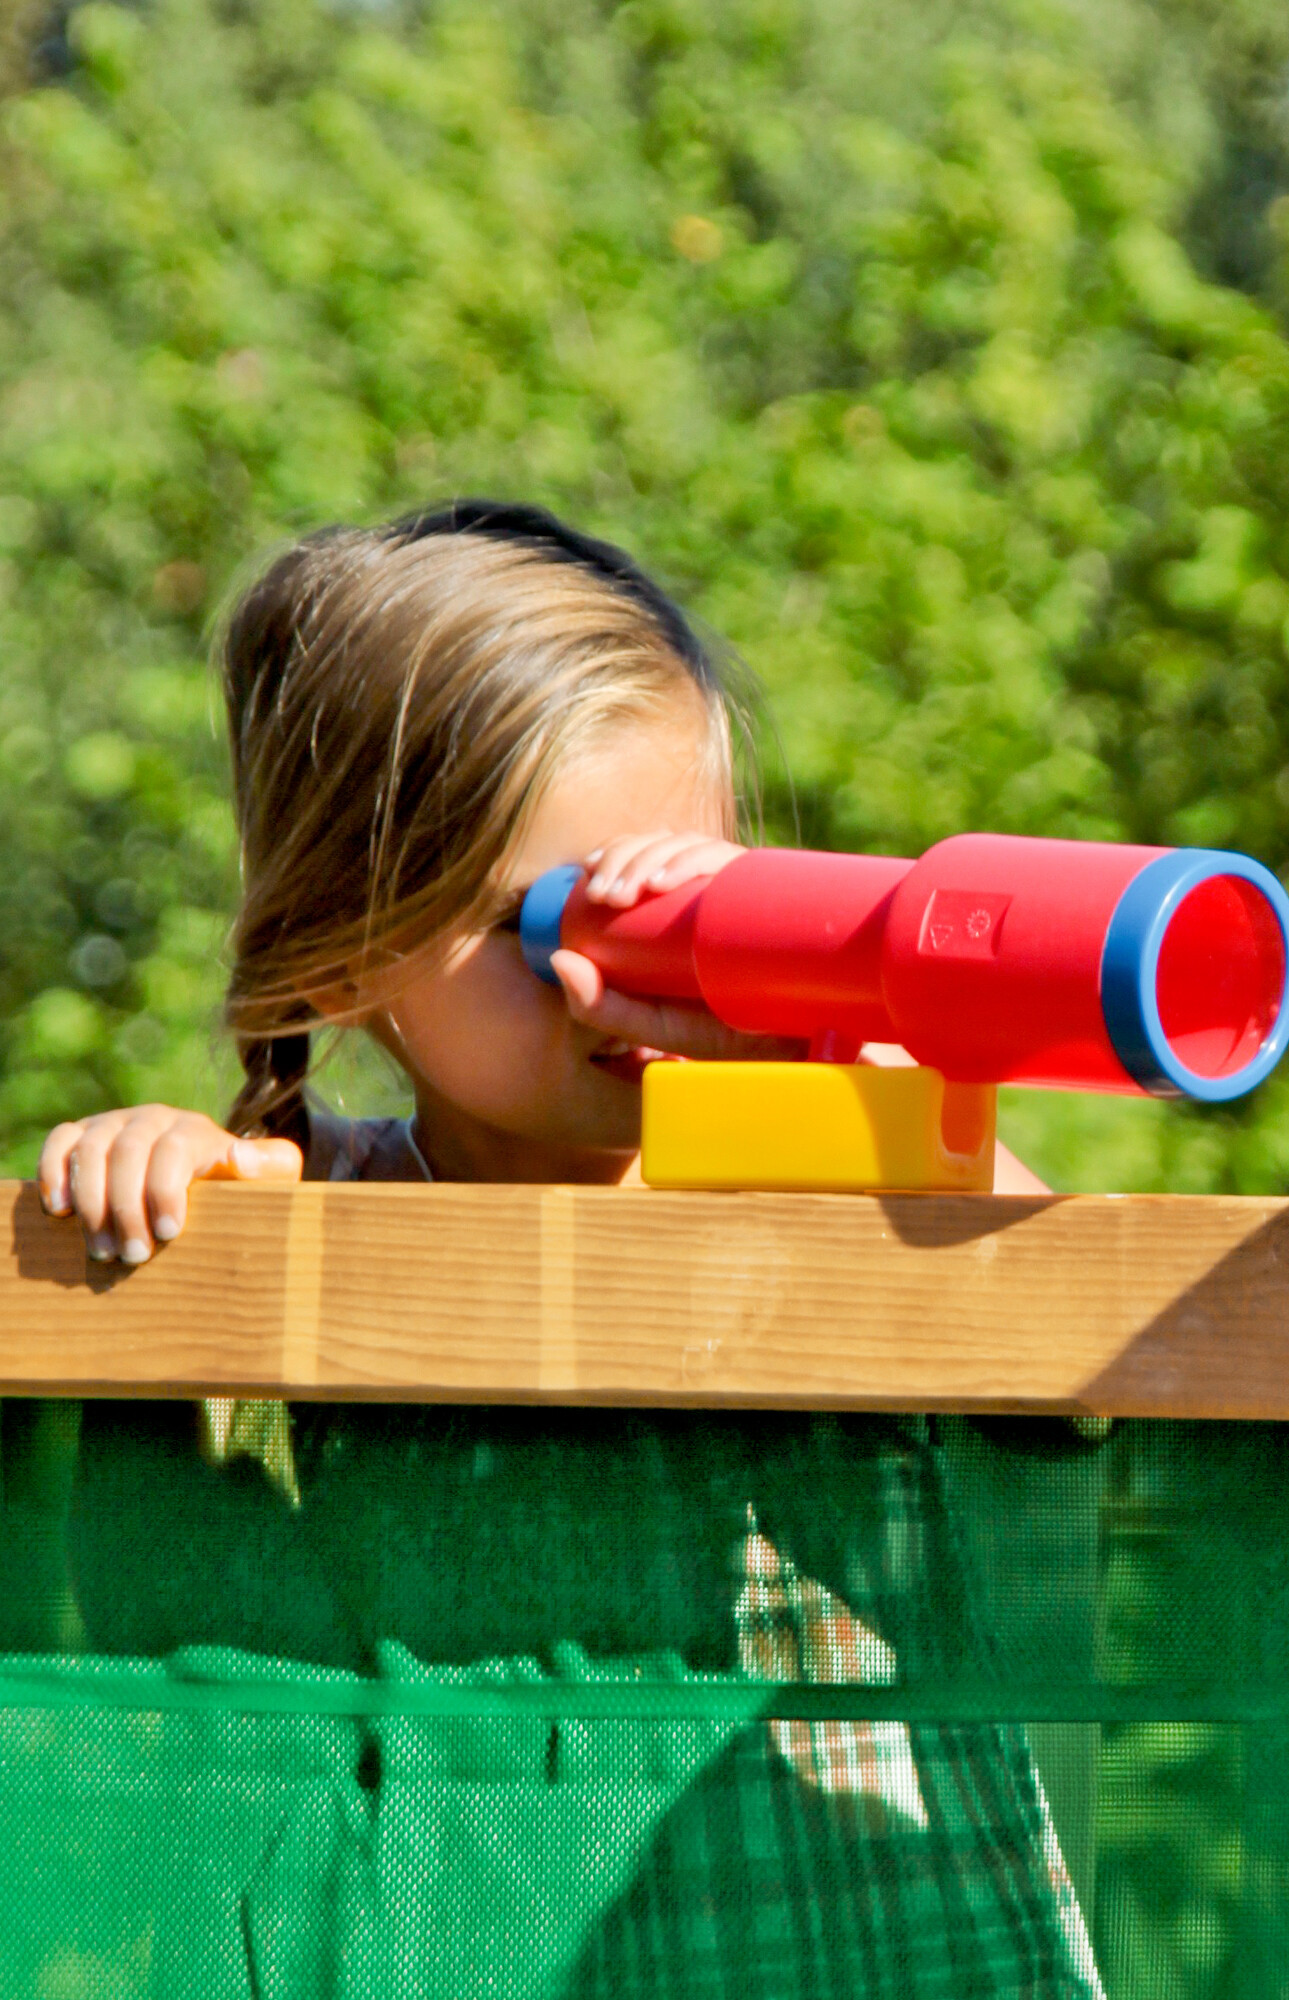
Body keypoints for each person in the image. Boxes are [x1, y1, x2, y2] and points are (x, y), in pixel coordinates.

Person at [35, 499, 1102, 1998]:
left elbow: (1084, 1327)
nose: (623, 973)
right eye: (541, 922)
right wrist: (166, 1187)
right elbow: (158, 1607)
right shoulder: (322, 1209)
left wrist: (826, 1026)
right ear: (345, 950)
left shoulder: (822, 1162)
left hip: (866, 1939)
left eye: (691, 893)